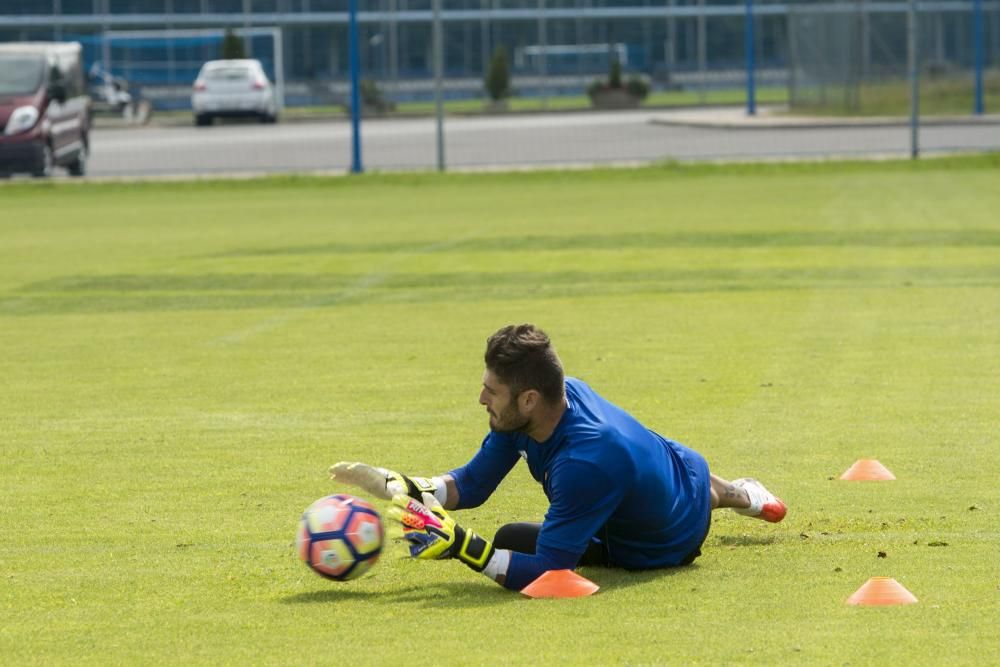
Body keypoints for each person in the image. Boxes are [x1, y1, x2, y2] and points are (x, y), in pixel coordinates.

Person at [331, 323, 786, 591]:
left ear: (528, 399)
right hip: (678, 465)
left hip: (666, 542)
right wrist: (399, 487)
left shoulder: (584, 463)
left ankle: (734, 494)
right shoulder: (548, 403)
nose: (480, 399)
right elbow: (472, 483)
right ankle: (739, 493)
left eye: (491, 391)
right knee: (516, 532)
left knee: (518, 541)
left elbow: (551, 573)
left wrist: (463, 548)